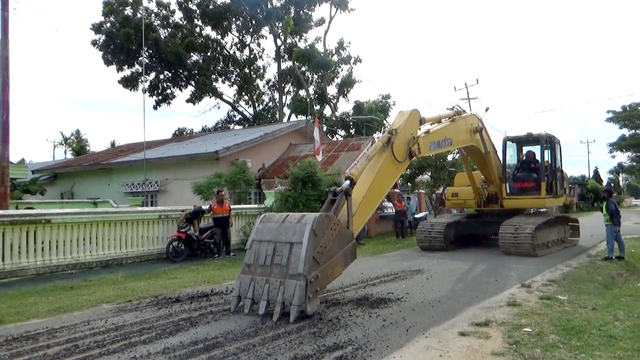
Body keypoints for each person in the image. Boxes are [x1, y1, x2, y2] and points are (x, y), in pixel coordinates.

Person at [211, 189, 235, 258]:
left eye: (223, 195)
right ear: (217, 196)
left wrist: (231, 220)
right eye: (221, 195)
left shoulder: (227, 203)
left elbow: (230, 212)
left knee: (228, 239)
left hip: (226, 224)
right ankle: (219, 254)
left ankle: (228, 253)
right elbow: (208, 211)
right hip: (217, 225)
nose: (223, 197)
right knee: (218, 240)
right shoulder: (213, 204)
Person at [602, 187, 625, 261]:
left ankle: (610, 256)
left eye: (604, 193)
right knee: (619, 240)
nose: (603, 195)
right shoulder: (611, 201)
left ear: (607, 194)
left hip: (611, 224)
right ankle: (622, 255)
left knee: (610, 240)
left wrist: (612, 220)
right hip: (615, 224)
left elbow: (612, 211)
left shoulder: (610, 202)